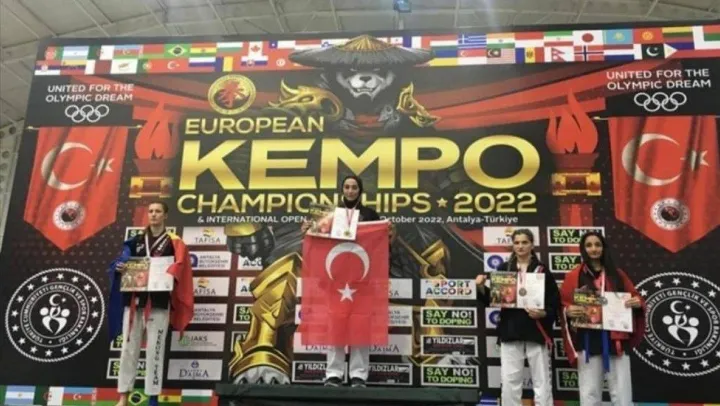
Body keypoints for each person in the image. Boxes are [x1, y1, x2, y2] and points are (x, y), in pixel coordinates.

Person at [301, 175, 394, 388]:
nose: (350, 191)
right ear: (342, 190)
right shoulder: (330, 216)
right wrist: (307, 231)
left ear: (360, 190)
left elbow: (382, 247)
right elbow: (317, 243)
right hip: (335, 281)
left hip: (362, 281)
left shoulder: (370, 215)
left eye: (354, 187)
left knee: (361, 327)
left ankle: (358, 375)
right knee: (335, 327)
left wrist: (388, 232)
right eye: (347, 187)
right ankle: (333, 374)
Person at [108, 201, 194, 406]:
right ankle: (123, 395)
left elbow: (182, 267)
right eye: (151, 211)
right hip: (134, 302)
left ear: (165, 215)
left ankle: (153, 397)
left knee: (155, 350)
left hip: (159, 302)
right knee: (128, 349)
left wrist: (174, 270)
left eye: (158, 211)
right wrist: (120, 265)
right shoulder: (135, 241)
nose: (153, 214)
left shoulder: (174, 242)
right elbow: (123, 259)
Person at [475, 229, 559, 406]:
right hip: (511, 328)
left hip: (536, 329)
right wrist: (481, 287)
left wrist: (544, 313)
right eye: (517, 242)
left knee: (542, 380)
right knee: (510, 381)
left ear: (532, 245)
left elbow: (554, 302)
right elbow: (493, 300)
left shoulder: (542, 270)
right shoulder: (504, 269)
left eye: (524, 242)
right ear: (512, 245)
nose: (520, 246)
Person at [560, 231, 645, 406]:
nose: (594, 249)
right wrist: (568, 311)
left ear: (604, 248)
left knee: (622, 392)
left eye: (597, 245)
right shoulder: (574, 275)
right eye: (589, 245)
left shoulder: (617, 274)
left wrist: (637, 302)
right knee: (589, 392)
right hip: (588, 339)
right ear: (583, 249)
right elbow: (563, 304)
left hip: (616, 339)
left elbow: (636, 297)